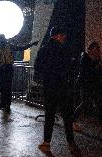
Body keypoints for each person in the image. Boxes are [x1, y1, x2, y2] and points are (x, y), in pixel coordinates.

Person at [34, 26, 79, 154]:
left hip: (49, 87)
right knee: (67, 116)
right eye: (62, 35)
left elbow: (37, 68)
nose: (64, 37)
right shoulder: (64, 50)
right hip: (64, 87)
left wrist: (44, 80)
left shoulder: (44, 50)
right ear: (57, 36)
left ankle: (46, 143)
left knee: (49, 115)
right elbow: (70, 67)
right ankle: (71, 143)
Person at [0, 34, 38, 112]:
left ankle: (7, 104)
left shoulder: (6, 46)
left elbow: (21, 48)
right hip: (2, 69)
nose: (2, 40)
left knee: (7, 88)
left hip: (7, 69)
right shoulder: (0, 47)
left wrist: (31, 44)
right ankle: (3, 103)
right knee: (3, 88)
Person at [73, 41, 102, 129]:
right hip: (85, 84)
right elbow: (85, 72)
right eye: (96, 49)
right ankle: (73, 120)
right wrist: (95, 67)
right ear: (91, 49)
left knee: (98, 103)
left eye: (98, 49)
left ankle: (100, 123)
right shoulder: (84, 58)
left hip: (94, 84)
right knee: (85, 103)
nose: (97, 50)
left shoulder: (95, 58)